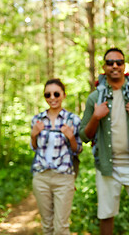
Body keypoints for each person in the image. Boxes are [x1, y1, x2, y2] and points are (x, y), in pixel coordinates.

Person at [79, 48, 129, 235]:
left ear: (124, 65)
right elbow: (84, 136)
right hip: (107, 167)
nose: (115, 66)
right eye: (110, 63)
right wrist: (95, 116)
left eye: (119, 62)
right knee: (106, 215)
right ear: (104, 67)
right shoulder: (95, 98)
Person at [30, 78, 83, 235]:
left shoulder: (72, 119)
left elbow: (78, 149)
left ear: (63, 95)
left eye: (56, 93)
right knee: (47, 225)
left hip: (64, 178)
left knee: (61, 227)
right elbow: (34, 147)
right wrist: (34, 135)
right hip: (41, 177)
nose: (52, 97)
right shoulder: (37, 119)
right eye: (48, 94)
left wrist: (71, 137)